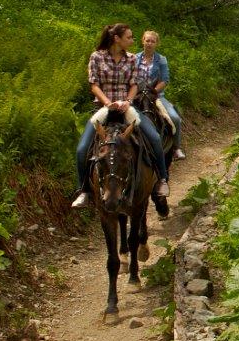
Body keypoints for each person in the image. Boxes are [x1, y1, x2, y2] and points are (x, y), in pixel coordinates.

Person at [72, 24, 170, 209]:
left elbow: (134, 84)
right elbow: (94, 85)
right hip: (104, 109)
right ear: (117, 39)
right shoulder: (97, 57)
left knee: (155, 138)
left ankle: (162, 180)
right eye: (129, 37)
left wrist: (128, 100)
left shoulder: (132, 59)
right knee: (82, 149)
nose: (133, 41)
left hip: (127, 108)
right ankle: (83, 190)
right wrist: (108, 102)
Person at [135, 30, 184, 160]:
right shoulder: (134, 59)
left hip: (156, 96)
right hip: (137, 96)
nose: (149, 43)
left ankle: (176, 148)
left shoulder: (161, 60)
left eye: (153, 41)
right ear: (143, 41)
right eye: (147, 40)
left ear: (157, 43)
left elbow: (164, 80)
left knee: (175, 118)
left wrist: (152, 92)